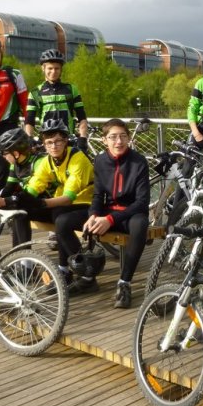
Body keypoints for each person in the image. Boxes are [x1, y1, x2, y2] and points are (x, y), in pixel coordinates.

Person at [14, 118, 94, 292]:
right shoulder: (46, 162)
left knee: (60, 218)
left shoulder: (77, 158)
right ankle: (26, 265)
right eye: (49, 142)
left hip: (87, 204)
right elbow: (34, 187)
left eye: (58, 141)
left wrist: (40, 203)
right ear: (44, 144)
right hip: (61, 205)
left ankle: (84, 272)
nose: (54, 146)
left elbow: (68, 197)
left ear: (66, 141)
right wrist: (14, 201)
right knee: (21, 212)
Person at [83, 118, 150, 308]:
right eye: (113, 137)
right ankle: (83, 275)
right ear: (104, 140)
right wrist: (93, 215)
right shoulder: (100, 160)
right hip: (107, 212)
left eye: (123, 136)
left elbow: (142, 202)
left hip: (130, 215)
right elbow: (97, 195)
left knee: (141, 224)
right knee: (64, 220)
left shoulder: (139, 161)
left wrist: (110, 219)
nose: (118, 141)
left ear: (129, 138)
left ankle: (124, 283)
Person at [24, 49, 89, 151]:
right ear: (43, 68)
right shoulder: (35, 93)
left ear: (61, 69)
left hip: (68, 139)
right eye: (50, 68)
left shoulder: (72, 89)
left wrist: (83, 137)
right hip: (47, 141)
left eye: (57, 68)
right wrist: (29, 138)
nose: (53, 72)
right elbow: (29, 120)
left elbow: (82, 117)